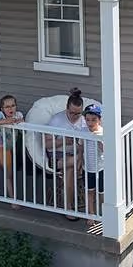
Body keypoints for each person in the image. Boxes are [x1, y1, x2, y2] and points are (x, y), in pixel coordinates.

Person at [46, 87, 88, 219]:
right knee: (71, 167)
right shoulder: (57, 120)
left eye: (78, 113)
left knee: (70, 170)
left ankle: (68, 208)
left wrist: (80, 157)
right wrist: (64, 141)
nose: (75, 116)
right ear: (66, 108)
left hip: (76, 155)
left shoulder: (85, 121)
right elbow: (47, 144)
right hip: (57, 156)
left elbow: (86, 143)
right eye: (72, 113)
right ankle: (69, 208)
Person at [0, 94, 24, 206]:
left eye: (13, 105)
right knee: (9, 173)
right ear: (2, 109)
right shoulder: (0, 115)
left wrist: (19, 121)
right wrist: (6, 121)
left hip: (14, 145)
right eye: (7, 107)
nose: (10, 108)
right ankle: (13, 200)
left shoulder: (18, 114)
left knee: (9, 165)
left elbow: (22, 121)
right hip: (2, 146)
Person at [82, 104, 104, 228]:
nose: (90, 123)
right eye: (88, 120)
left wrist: (99, 140)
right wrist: (80, 162)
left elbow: (105, 150)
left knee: (101, 192)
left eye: (93, 120)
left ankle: (103, 214)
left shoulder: (102, 132)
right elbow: (80, 147)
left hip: (100, 168)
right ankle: (91, 214)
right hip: (88, 167)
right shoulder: (83, 131)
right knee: (89, 191)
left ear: (99, 120)